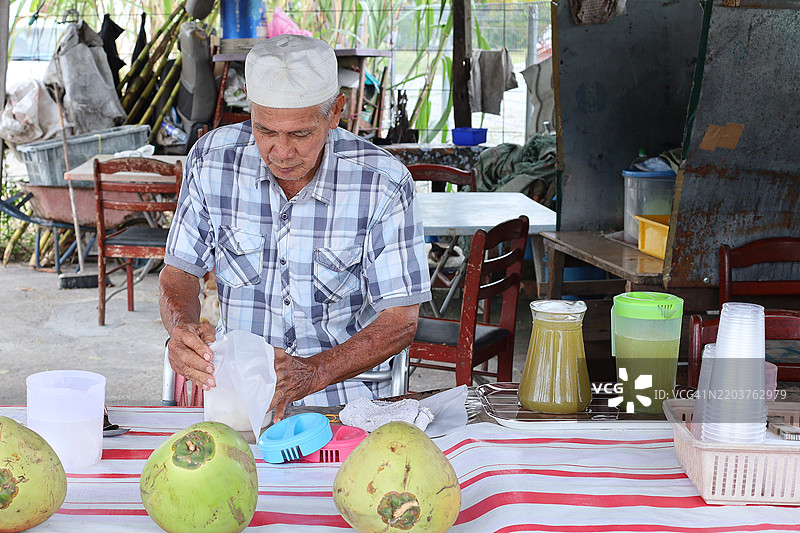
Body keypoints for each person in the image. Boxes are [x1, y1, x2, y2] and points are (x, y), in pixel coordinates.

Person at [159, 35, 431, 421]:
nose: (282, 152)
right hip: (239, 399)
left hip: (346, 404)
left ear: (336, 112)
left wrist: (312, 373)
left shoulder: (382, 183)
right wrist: (182, 328)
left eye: (301, 134)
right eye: (266, 131)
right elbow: (180, 270)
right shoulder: (211, 161)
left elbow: (400, 320)